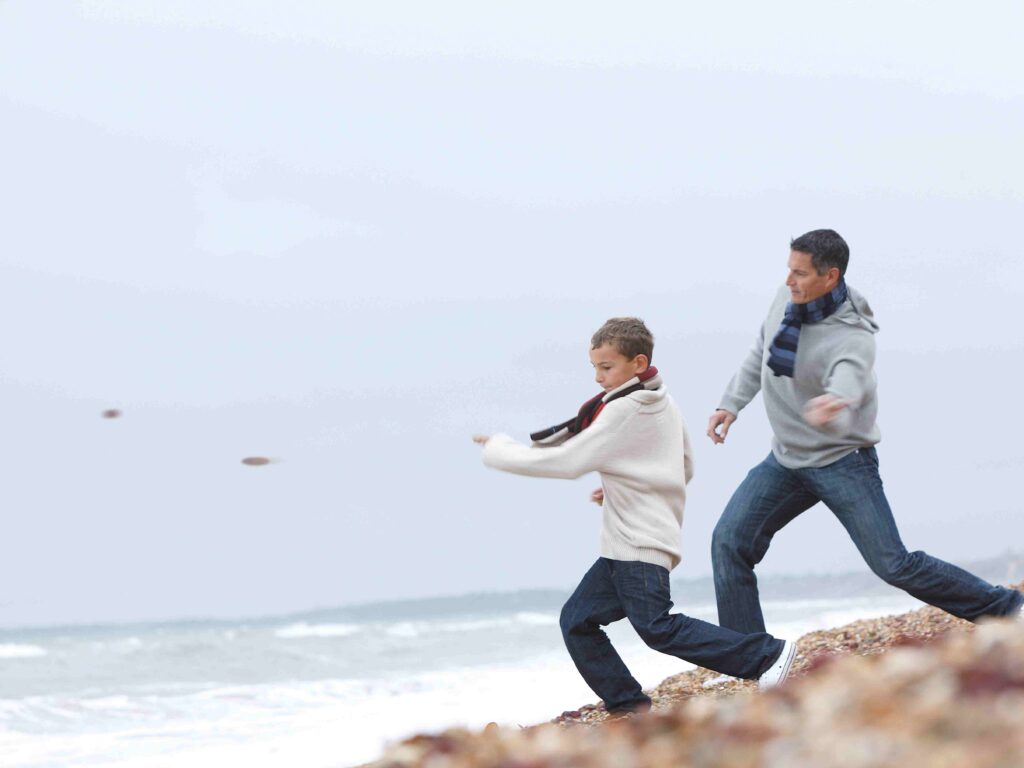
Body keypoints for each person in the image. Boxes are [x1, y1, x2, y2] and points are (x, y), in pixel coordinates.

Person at [706, 228, 1023, 635]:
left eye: (800, 273)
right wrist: (729, 404)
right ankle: (752, 656)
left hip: (842, 461)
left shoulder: (852, 329)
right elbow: (761, 352)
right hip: (785, 460)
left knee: (894, 564)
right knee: (729, 542)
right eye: (789, 269)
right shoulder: (785, 298)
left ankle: (1007, 607)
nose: (789, 280)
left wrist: (836, 399)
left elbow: (852, 373)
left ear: (830, 276)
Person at [473, 317, 796, 715]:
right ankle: (629, 707)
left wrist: (499, 449)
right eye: (594, 366)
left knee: (658, 627)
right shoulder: (660, 401)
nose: (597, 377)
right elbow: (683, 464)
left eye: (606, 367)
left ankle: (767, 656)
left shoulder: (625, 409)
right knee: (577, 620)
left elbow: (569, 461)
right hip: (623, 542)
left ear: (638, 363)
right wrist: (618, 485)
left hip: (640, 541)